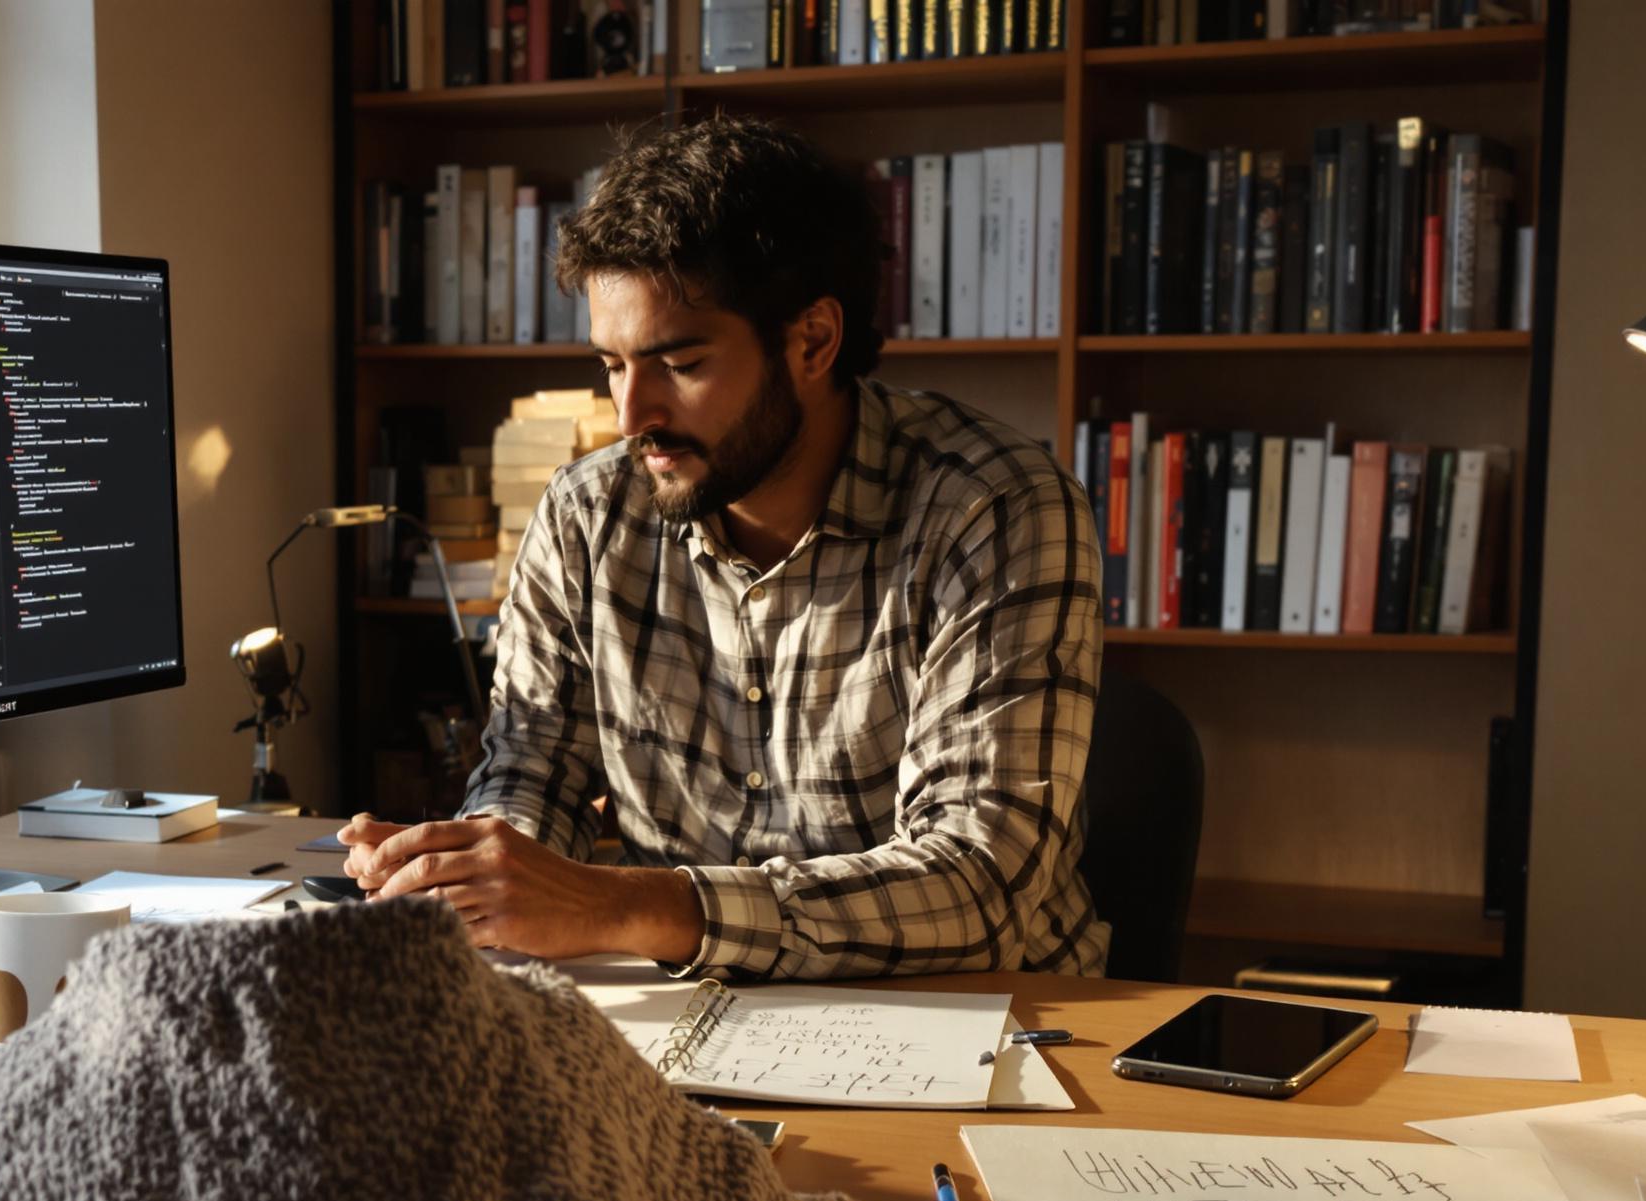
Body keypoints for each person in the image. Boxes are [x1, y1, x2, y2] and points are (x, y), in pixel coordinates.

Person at [343, 113, 1108, 981]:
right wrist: (472, 881)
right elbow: (535, 766)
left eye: (680, 362)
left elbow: (980, 883)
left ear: (813, 340)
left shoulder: (993, 508)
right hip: (685, 1015)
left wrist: (617, 905)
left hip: (982, 1029)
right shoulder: (588, 513)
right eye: (613, 364)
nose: (633, 416)